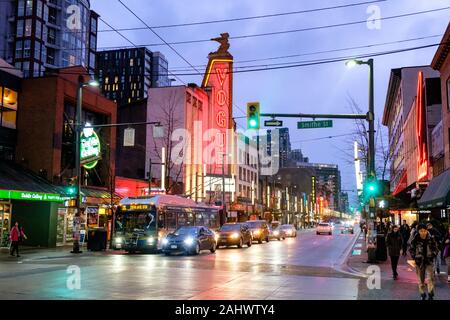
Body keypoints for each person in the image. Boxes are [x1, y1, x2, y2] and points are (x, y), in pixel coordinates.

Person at [409, 224, 439, 300]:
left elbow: (436, 248)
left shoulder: (431, 239)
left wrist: (433, 255)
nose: (423, 232)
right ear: (418, 231)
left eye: (424, 231)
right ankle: (422, 294)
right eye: (421, 231)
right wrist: (414, 257)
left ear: (427, 230)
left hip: (429, 261)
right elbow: (411, 249)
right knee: (420, 279)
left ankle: (430, 294)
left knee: (430, 278)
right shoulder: (415, 239)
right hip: (419, 262)